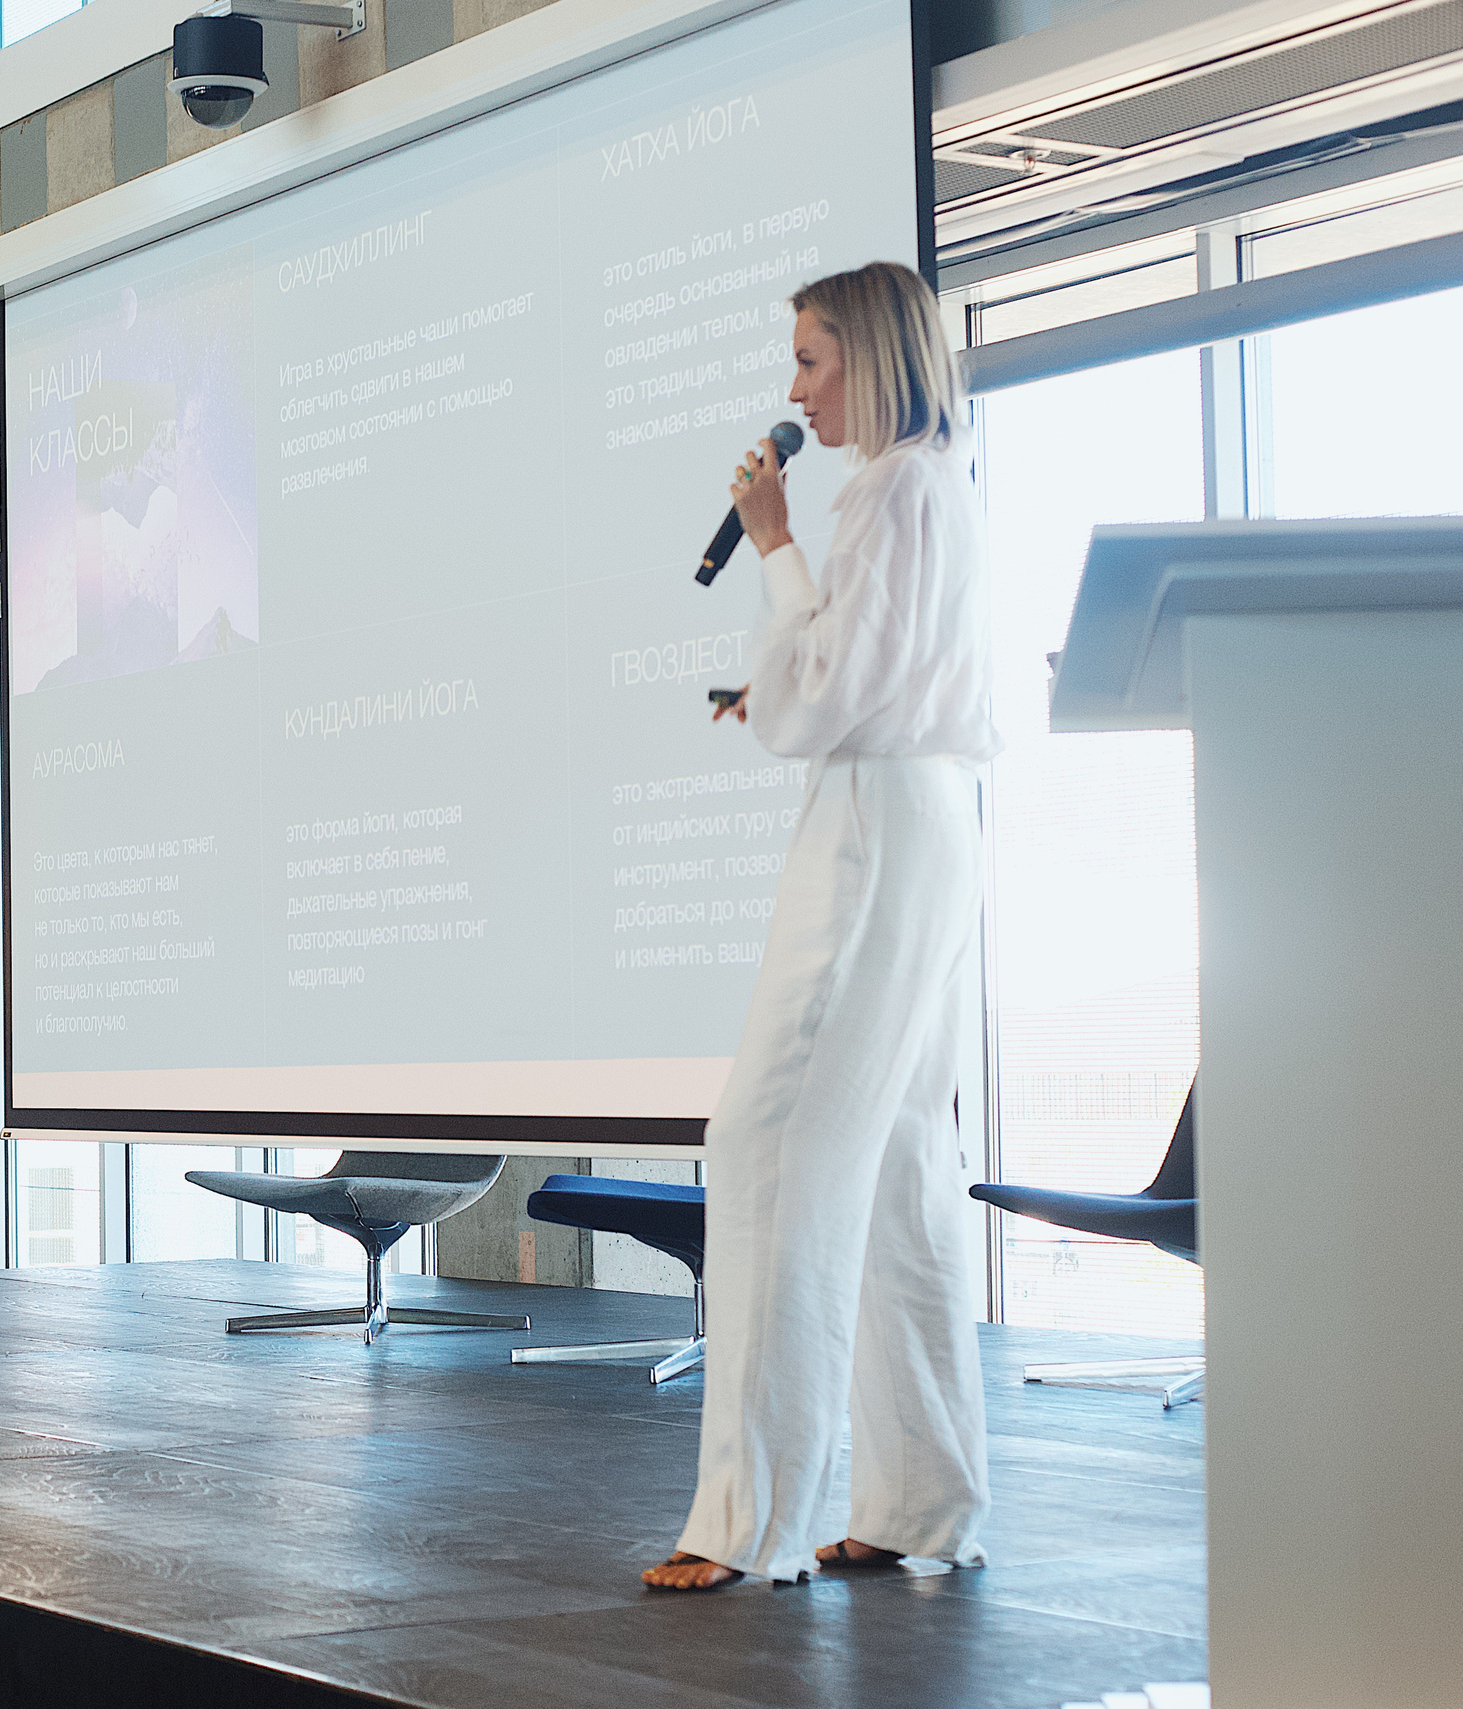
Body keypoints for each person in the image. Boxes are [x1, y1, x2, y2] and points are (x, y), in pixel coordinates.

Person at [642, 260, 1003, 1593]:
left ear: (871, 355)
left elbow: (827, 691)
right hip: (929, 815)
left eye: (811, 360)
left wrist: (777, 542)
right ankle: (920, 1498)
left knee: (768, 1141)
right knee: (900, 1155)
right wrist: (790, 678)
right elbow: (860, 679)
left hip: (873, 825)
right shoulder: (934, 489)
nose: (794, 390)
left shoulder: (891, 489)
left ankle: (745, 1521)